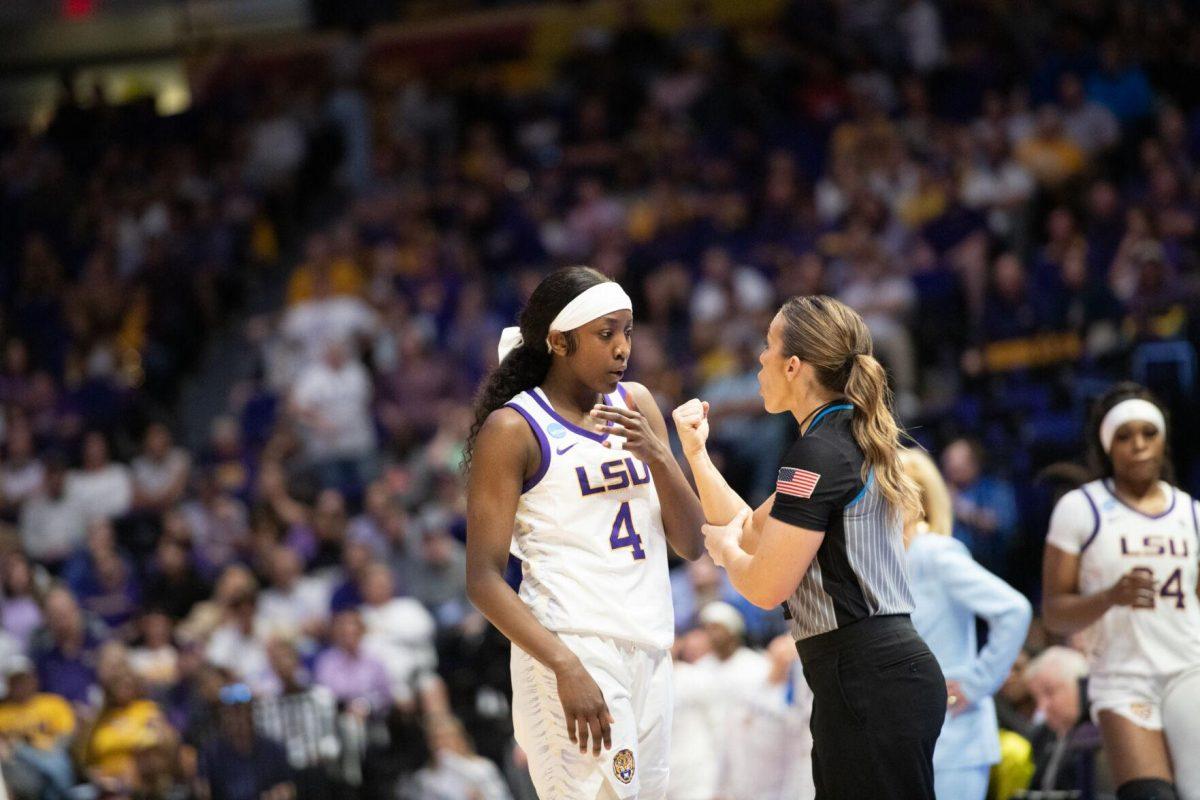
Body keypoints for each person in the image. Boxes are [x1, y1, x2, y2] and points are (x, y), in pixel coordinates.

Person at [672, 294, 946, 798]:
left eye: (767, 346)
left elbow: (765, 585)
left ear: (794, 366)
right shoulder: (838, 440)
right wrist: (696, 453)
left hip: (867, 677)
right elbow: (751, 528)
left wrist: (724, 551)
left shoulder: (817, 453)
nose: (759, 358)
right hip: (873, 677)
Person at [465, 267, 705, 800]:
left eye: (627, 331)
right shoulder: (514, 428)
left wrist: (660, 456)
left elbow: (691, 544)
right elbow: (482, 580)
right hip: (570, 644)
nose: (622, 348)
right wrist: (563, 664)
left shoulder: (636, 404)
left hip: (649, 643)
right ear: (558, 341)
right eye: (605, 334)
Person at [1043, 382, 1200, 800]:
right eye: (1124, 436)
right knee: (1151, 795)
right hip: (1122, 678)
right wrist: (1110, 596)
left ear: (1164, 440)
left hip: (1189, 669)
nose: (1138, 445)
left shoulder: (1192, 513)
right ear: (1107, 445)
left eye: (1148, 434)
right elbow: (1055, 612)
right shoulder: (1081, 508)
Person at [900, 448, 1032, 800]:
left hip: (955, 742)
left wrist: (975, 684)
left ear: (913, 499)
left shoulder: (936, 553)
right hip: (909, 739)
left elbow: (1014, 610)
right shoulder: (890, 564)